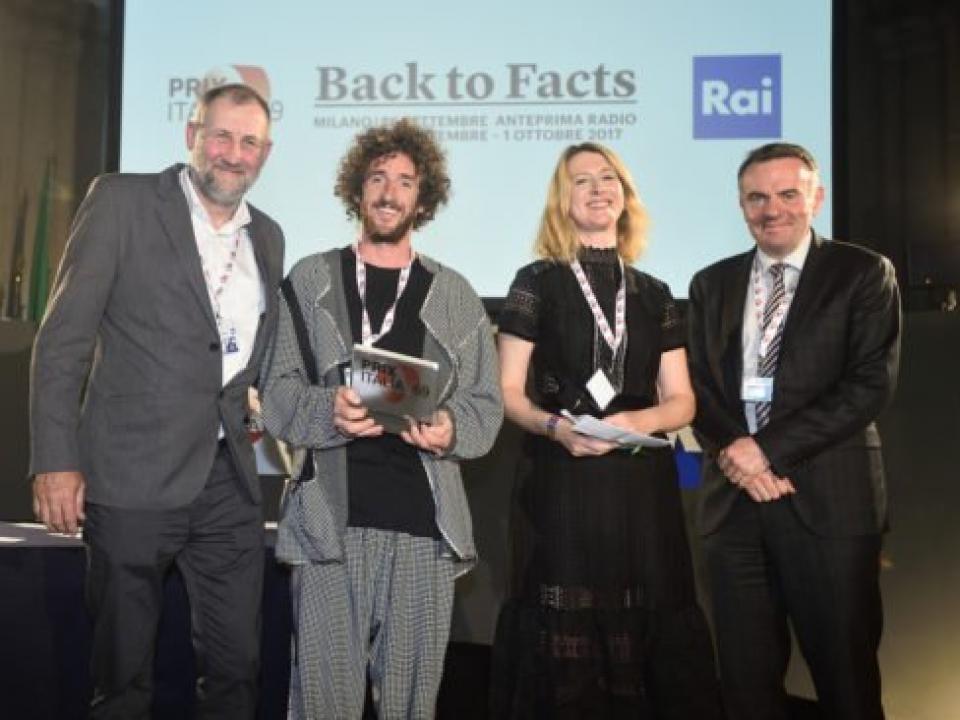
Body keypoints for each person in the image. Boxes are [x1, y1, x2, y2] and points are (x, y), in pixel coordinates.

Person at [29, 83, 284, 719]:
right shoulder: (123, 202)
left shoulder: (268, 235)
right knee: (123, 677)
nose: (233, 153)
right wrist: (55, 461)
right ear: (192, 135)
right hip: (131, 478)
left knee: (237, 668)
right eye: (221, 136)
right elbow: (62, 342)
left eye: (249, 142)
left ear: (266, 154)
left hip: (227, 482)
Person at [260, 118, 503, 719]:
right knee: (322, 704)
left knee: (411, 707)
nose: (389, 192)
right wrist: (328, 410)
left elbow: (485, 403)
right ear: (357, 188)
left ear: (423, 197)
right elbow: (278, 390)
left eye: (404, 181)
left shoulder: (456, 294)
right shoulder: (310, 280)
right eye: (377, 178)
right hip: (329, 528)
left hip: (424, 530)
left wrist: (450, 428)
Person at [489, 142, 721, 718]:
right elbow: (506, 392)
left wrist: (637, 421)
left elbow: (682, 401)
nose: (597, 188)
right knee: (564, 641)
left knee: (645, 632)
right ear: (562, 201)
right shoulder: (535, 283)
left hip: (641, 489)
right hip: (561, 481)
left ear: (625, 195)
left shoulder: (655, 294)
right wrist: (554, 427)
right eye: (581, 180)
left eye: (607, 177)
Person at [687, 142, 901, 720]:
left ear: (816, 197)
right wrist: (741, 459)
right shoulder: (711, 283)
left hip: (830, 503)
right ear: (741, 204)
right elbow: (697, 387)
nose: (771, 209)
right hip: (734, 509)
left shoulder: (863, 273)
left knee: (847, 683)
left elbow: (869, 385)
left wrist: (766, 451)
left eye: (787, 194)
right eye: (756, 197)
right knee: (745, 687)